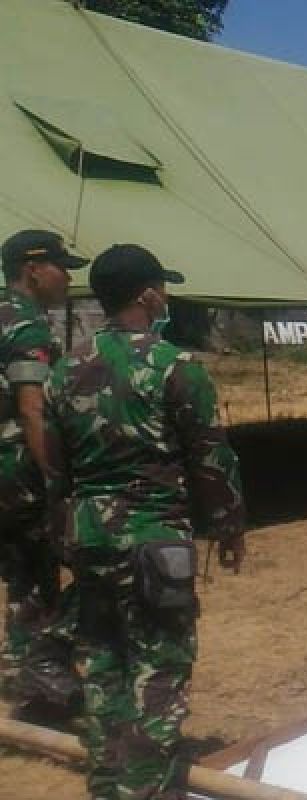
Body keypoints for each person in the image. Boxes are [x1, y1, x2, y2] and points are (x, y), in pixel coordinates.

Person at [43, 244, 245, 799]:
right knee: (159, 667)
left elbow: (55, 468)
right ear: (148, 295)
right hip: (154, 538)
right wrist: (229, 526)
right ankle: (147, 790)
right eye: (164, 288)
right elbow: (210, 459)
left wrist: (67, 528)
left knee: (105, 662)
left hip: (90, 535)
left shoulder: (65, 370)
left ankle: (109, 782)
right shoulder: (176, 368)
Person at [0, 230, 86, 701]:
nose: (68, 276)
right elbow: (32, 408)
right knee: (37, 571)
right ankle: (37, 673)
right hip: (18, 472)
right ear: (33, 270)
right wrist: (57, 480)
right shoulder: (27, 326)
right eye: (60, 266)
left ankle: (19, 666)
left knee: (20, 570)